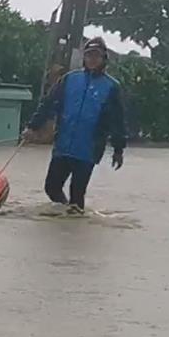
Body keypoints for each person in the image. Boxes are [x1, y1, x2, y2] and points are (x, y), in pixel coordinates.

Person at [24, 36, 126, 213]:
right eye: (89, 55)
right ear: (84, 58)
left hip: (88, 150)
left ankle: (75, 223)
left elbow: (118, 120)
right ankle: (65, 218)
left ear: (103, 59)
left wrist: (118, 150)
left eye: (96, 56)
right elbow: (48, 104)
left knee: (77, 195)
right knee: (52, 188)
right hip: (63, 145)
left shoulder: (111, 87)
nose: (92, 59)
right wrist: (32, 127)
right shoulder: (69, 79)